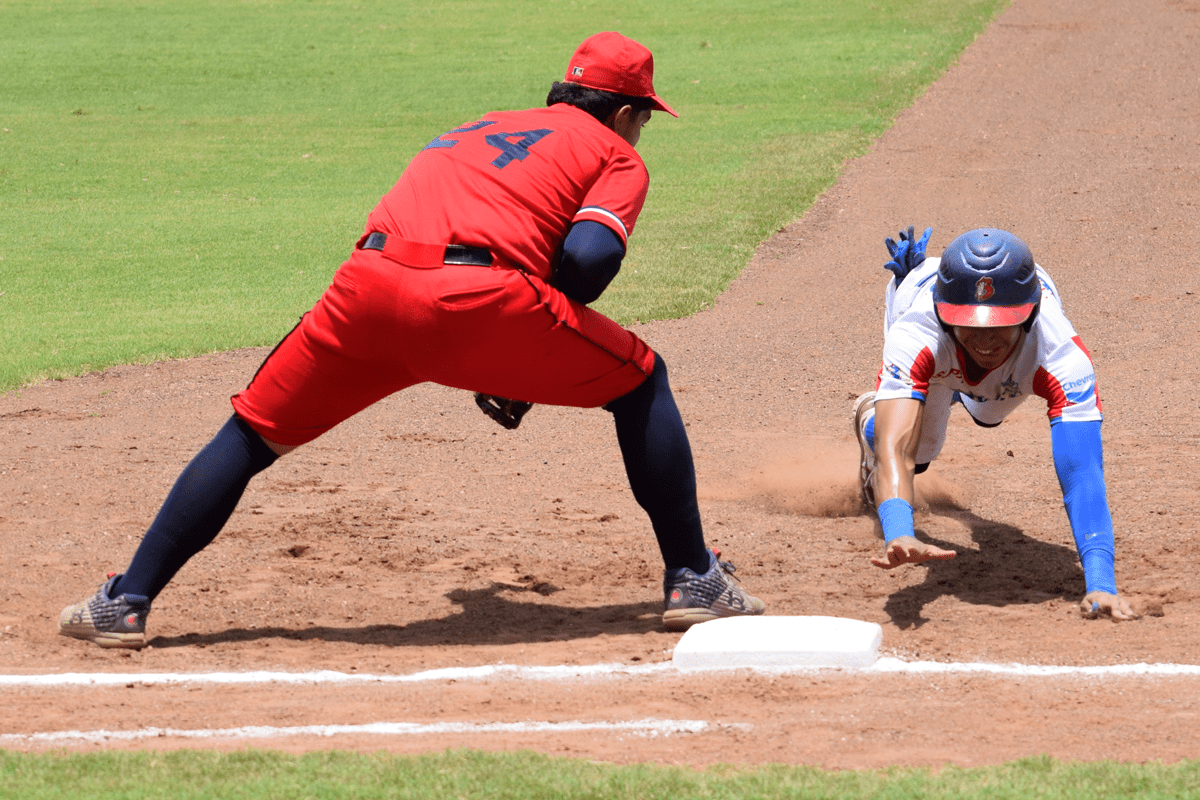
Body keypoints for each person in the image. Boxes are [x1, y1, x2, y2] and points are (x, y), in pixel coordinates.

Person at [59, 32, 764, 650]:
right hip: (477, 302)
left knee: (251, 433)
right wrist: (515, 360)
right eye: (643, 119)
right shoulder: (614, 152)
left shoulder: (479, 124)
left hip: (367, 286)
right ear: (623, 112)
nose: (638, 133)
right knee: (640, 380)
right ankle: (693, 578)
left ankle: (123, 602)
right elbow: (584, 264)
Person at [853, 226, 1138, 621]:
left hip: (1004, 371)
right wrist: (900, 529)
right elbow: (895, 451)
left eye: (1000, 323)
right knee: (918, 452)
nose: (985, 338)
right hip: (934, 356)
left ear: (1031, 312)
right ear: (942, 312)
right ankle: (874, 417)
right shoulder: (916, 330)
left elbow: (1082, 474)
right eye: (969, 322)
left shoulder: (1059, 355)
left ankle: (951, 393)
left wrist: (1101, 584)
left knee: (988, 413)